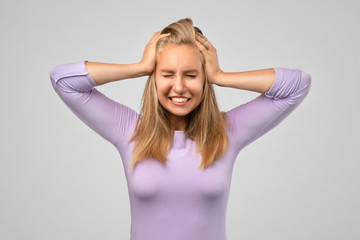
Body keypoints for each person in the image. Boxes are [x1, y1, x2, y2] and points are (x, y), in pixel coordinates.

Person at [49, 18, 311, 240]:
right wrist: (138, 68)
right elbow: (63, 80)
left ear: (203, 78)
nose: (179, 87)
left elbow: (298, 85)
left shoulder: (227, 131)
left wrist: (221, 76)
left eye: (190, 74)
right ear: (155, 77)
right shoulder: (129, 130)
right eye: (167, 74)